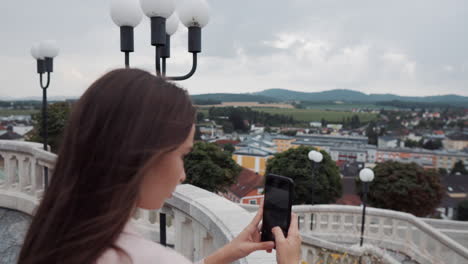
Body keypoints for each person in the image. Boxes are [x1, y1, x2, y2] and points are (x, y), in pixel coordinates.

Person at [17, 68, 301, 264]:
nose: (183, 175)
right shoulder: (142, 256)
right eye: (181, 155)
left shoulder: (56, 233)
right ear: (145, 155)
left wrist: (226, 254)